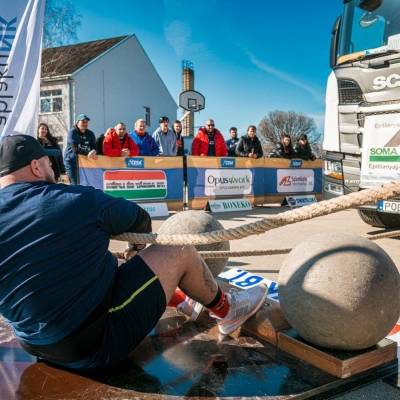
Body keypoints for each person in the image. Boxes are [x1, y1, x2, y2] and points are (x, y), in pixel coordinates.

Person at [0, 134, 267, 370]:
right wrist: (137, 251)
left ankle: (181, 299)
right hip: (90, 346)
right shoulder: (73, 199)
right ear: (36, 166)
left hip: (33, 344)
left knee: (99, 263)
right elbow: (139, 219)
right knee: (179, 250)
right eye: (48, 162)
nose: (52, 167)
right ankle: (228, 311)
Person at [64, 114, 97, 184]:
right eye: (83, 122)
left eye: (86, 122)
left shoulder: (90, 133)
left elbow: (94, 147)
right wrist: (89, 152)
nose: (85, 124)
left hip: (85, 162)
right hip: (71, 162)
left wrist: (94, 151)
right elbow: (75, 149)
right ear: (77, 122)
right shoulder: (72, 132)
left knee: (86, 183)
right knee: (75, 184)